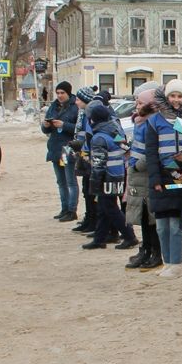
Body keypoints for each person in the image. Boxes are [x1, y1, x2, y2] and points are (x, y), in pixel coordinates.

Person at [147, 80, 182, 276]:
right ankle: (167, 261)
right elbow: (150, 152)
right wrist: (155, 179)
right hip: (162, 176)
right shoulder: (154, 120)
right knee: (161, 226)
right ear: (166, 97)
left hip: (181, 176)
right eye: (173, 96)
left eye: (180, 96)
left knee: (175, 225)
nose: (176, 100)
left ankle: (176, 263)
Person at [81, 101, 138, 251]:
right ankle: (99, 239)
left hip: (106, 177)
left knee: (110, 208)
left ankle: (129, 236)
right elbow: (126, 149)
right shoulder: (115, 132)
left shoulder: (98, 138)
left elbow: (99, 163)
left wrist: (95, 183)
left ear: (92, 120)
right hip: (118, 174)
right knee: (104, 208)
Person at [124, 85, 164, 271]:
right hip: (137, 176)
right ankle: (145, 249)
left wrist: (138, 164)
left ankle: (156, 252)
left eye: (140, 102)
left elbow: (155, 150)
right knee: (141, 216)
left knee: (152, 218)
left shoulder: (154, 122)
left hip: (147, 174)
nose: (136, 105)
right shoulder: (140, 121)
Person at [42, 81, 79, 222]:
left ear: (68, 93)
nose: (59, 95)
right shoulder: (53, 106)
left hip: (67, 148)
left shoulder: (74, 107)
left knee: (70, 180)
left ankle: (72, 210)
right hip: (54, 148)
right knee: (60, 181)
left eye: (62, 93)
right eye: (57, 93)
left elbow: (78, 128)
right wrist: (45, 125)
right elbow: (45, 130)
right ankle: (64, 208)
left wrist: (64, 125)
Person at [69, 86, 98, 235]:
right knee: (87, 190)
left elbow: (90, 136)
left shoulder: (90, 115)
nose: (76, 102)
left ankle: (94, 221)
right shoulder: (82, 114)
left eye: (79, 99)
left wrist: (80, 145)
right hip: (83, 155)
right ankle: (89, 219)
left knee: (91, 191)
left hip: (90, 157)